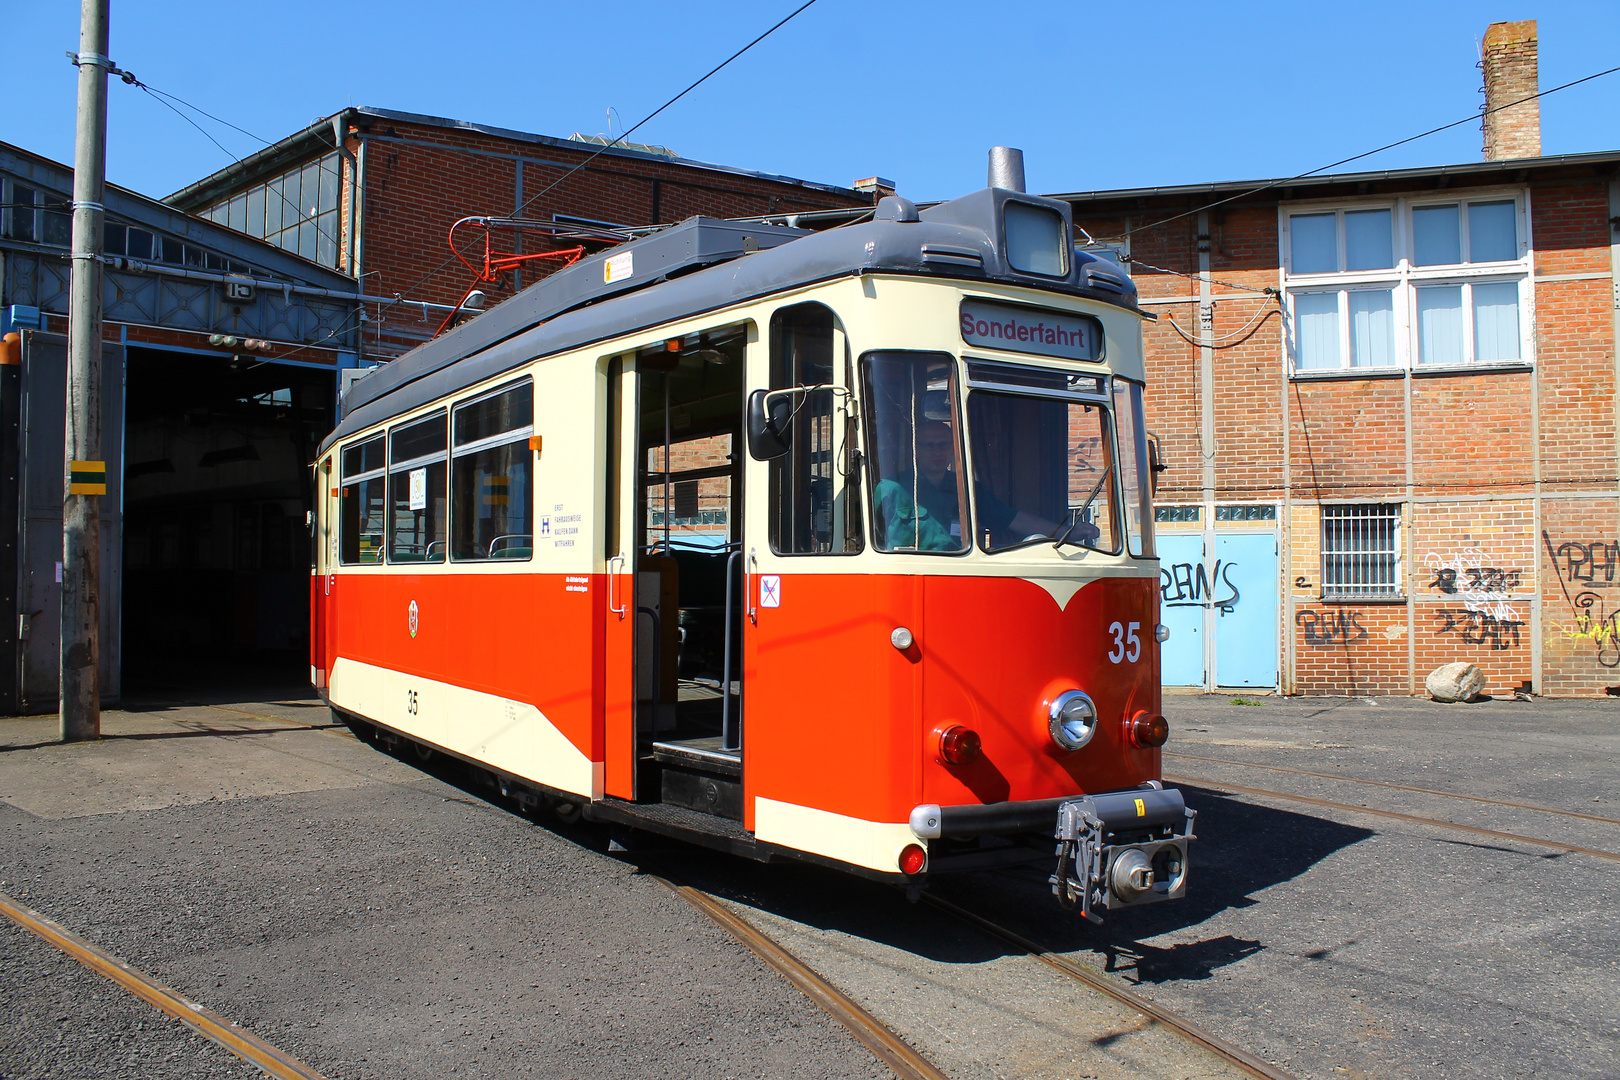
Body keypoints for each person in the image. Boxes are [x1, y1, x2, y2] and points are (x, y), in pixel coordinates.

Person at [874, 421, 1062, 551]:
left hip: (960, 573)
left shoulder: (968, 489)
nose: (937, 452)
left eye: (943, 445)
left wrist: (1065, 533)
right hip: (910, 578)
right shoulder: (891, 488)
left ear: (952, 448)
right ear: (916, 449)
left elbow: (1012, 519)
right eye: (928, 445)